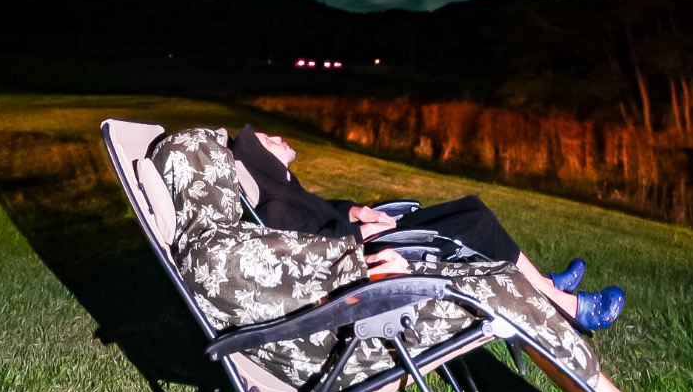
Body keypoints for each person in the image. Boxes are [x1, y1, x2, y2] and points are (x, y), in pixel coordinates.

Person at [153, 126, 641, 392]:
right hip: (332, 339)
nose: (274, 139)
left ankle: (590, 371)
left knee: (499, 279)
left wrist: (354, 234)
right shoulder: (214, 252)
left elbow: (294, 246)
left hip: (342, 309)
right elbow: (259, 260)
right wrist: (356, 255)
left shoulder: (228, 234)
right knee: (504, 290)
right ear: (205, 169)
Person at [230, 124, 625, 332]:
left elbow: (325, 211)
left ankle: (545, 284)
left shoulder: (288, 189)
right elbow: (307, 251)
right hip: (376, 259)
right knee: (475, 224)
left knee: (472, 209)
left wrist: (357, 211)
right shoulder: (277, 206)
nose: (277, 137)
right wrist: (360, 235)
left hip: (372, 239)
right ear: (261, 162)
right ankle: (570, 307)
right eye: (268, 140)